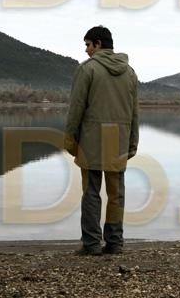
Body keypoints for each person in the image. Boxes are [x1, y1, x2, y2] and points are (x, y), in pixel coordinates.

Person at [64, 25, 139, 255]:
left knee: (91, 192)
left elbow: (76, 107)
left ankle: (92, 244)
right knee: (116, 194)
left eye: (88, 44)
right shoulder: (129, 72)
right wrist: (133, 142)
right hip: (119, 139)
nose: (86, 49)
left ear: (98, 44)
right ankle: (115, 243)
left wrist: (70, 138)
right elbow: (134, 112)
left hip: (92, 139)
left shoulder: (87, 69)